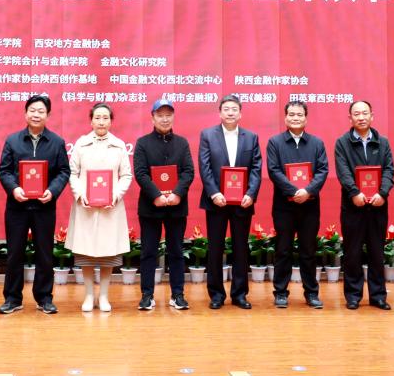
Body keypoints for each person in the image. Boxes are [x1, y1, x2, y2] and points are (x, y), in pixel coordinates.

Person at [0, 94, 71, 315]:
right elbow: (4, 170)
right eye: (32, 110)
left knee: (45, 254)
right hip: (17, 207)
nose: (36, 115)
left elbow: (63, 171)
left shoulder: (56, 142)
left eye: (41, 111)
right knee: (14, 253)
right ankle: (12, 298)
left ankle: (44, 298)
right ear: (25, 113)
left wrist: (52, 191)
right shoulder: (13, 140)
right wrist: (14, 189)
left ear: (48, 115)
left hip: (44, 206)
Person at [66, 102, 133, 312]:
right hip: (86, 207)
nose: (101, 122)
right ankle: (88, 295)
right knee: (86, 254)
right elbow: (72, 173)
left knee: (107, 254)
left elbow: (126, 175)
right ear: (91, 121)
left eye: (105, 118)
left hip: (110, 208)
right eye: (97, 117)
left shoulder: (119, 146)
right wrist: (80, 194)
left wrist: (116, 195)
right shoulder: (81, 144)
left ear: (111, 121)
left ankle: (103, 296)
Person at [198, 94, 262, 310]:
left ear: (240, 113)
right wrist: (214, 193)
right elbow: (205, 167)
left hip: (243, 202)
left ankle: (240, 294)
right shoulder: (208, 135)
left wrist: (251, 193)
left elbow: (256, 168)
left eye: (234, 109)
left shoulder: (251, 137)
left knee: (241, 248)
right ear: (220, 113)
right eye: (226, 109)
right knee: (215, 248)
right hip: (216, 201)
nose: (230, 112)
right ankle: (216, 294)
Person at [132, 98, 195, 311]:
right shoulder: (143, 143)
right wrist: (156, 195)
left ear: (173, 117)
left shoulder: (182, 143)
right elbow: (141, 173)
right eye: (160, 115)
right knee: (148, 252)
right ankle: (147, 295)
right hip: (151, 207)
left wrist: (177, 194)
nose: (165, 119)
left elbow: (188, 172)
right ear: (153, 118)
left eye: (168, 115)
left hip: (177, 206)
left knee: (176, 252)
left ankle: (178, 295)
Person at [265, 99, 328, 309]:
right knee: (283, 250)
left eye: (299, 114)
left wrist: (308, 191)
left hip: (310, 206)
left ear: (306, 118)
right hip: (284, 206)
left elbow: (322, 170)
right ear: (285, 118)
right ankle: (280, 293)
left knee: (308, 251)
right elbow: (273, 170)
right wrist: (294, 191)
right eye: (291, 114)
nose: (295, 118)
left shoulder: (317, 143)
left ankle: (311, 293)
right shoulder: (275, 143)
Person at [333, 100, 394, 310]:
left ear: (372, 116)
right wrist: (354, 192)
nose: (361, 117)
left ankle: (378, 296)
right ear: (350, 118)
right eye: (357, 114)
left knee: (377, 252)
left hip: (378, 205)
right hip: (353, 206)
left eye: (365, 113)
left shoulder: (383, 142)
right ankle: (353, 295)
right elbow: (343, 170)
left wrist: (382, 193)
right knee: (352, 252)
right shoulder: (342, 142)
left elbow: (389, 170)